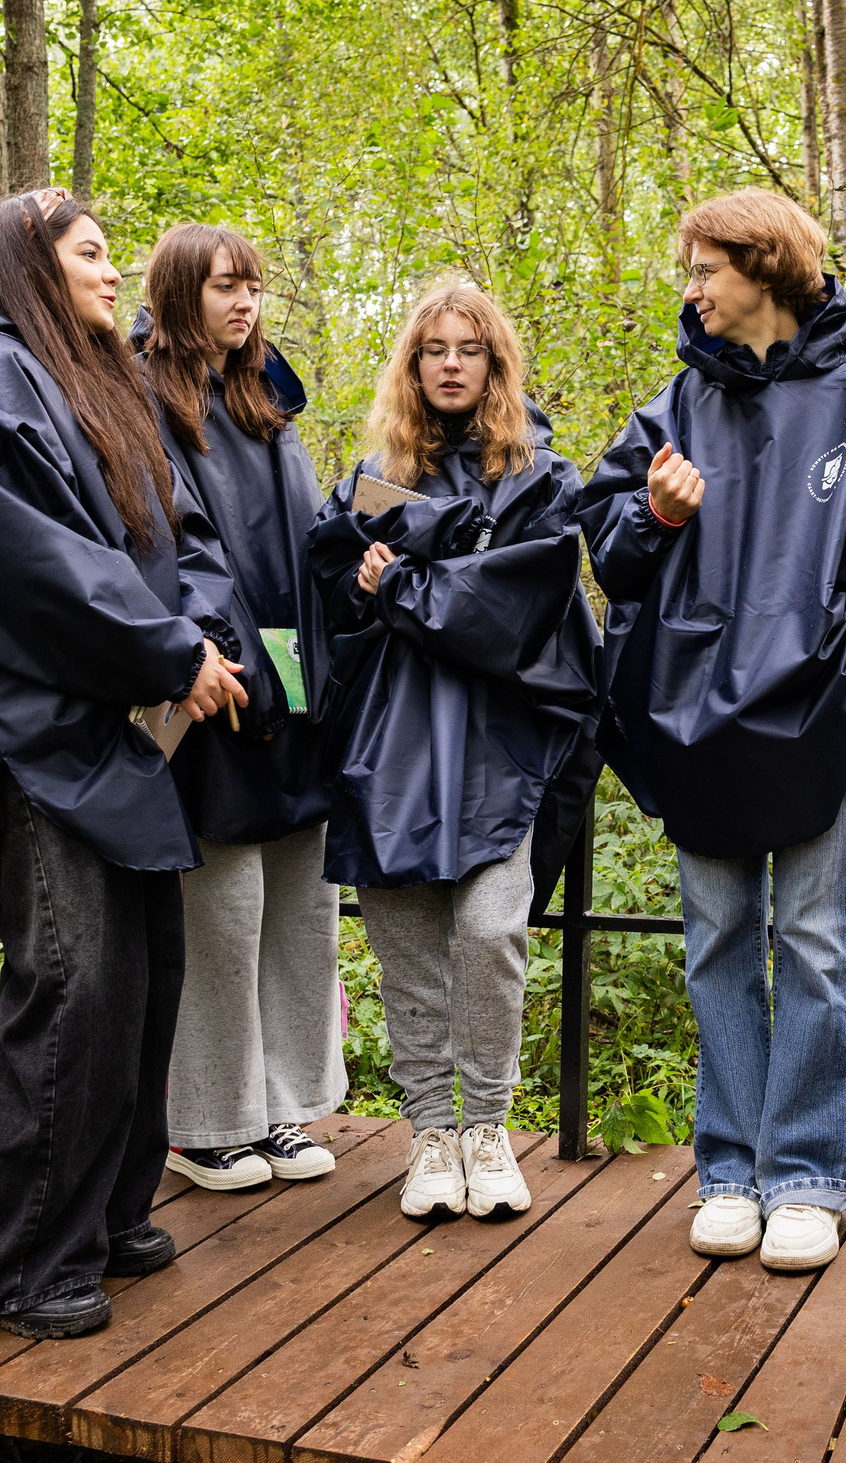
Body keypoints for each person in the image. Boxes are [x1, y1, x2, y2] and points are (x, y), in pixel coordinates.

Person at [0, 189, 253, 1341]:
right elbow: (21, 561)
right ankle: (21, 1260)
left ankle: (103, 1213)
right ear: (34, 265)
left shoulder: (101, 379)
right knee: (73, 992)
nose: (109, 272)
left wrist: (204, 634)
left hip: (123, 734)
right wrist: (164, 647)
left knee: (142, 987)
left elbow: (180, 535)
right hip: (30, 735)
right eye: (89, 255)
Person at [576, 188, 846, 1275]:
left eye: (705, 267)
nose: (691, 288)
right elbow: (607, 554)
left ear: (764, 268)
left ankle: (803, 1177)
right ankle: (727, 1172)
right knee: (715, 945)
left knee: (814, 948)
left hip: (822, 723)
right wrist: (654, 515)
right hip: (693, 723)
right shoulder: (673, 408)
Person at [307, 276, 599, 1224]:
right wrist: (363, 583)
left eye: (468, 348)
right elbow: (331, 596)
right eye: (432, 349)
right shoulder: (373, 478)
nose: (449, 364)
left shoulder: (542, 479)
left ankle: (488, 1127)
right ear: (412, 363)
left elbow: (516, 607)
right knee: (408, 948)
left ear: (495, 362)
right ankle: (431, 1131)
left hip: (500, 746)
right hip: (389, 743)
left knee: (487, 930)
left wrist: (406, 588)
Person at [136, 223, 345, 1193]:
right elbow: (169, 543)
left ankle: (281, 1107)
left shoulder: (270, 398)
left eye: (253, 285)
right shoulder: (143, 396)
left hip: (293, 665)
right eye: (224, 285)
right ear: (182, 293)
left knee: (298, 899)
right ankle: (208, 1123)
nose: (244, 301)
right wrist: (203, 649)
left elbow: (299, 542)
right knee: (223, 909)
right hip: (212, 673)